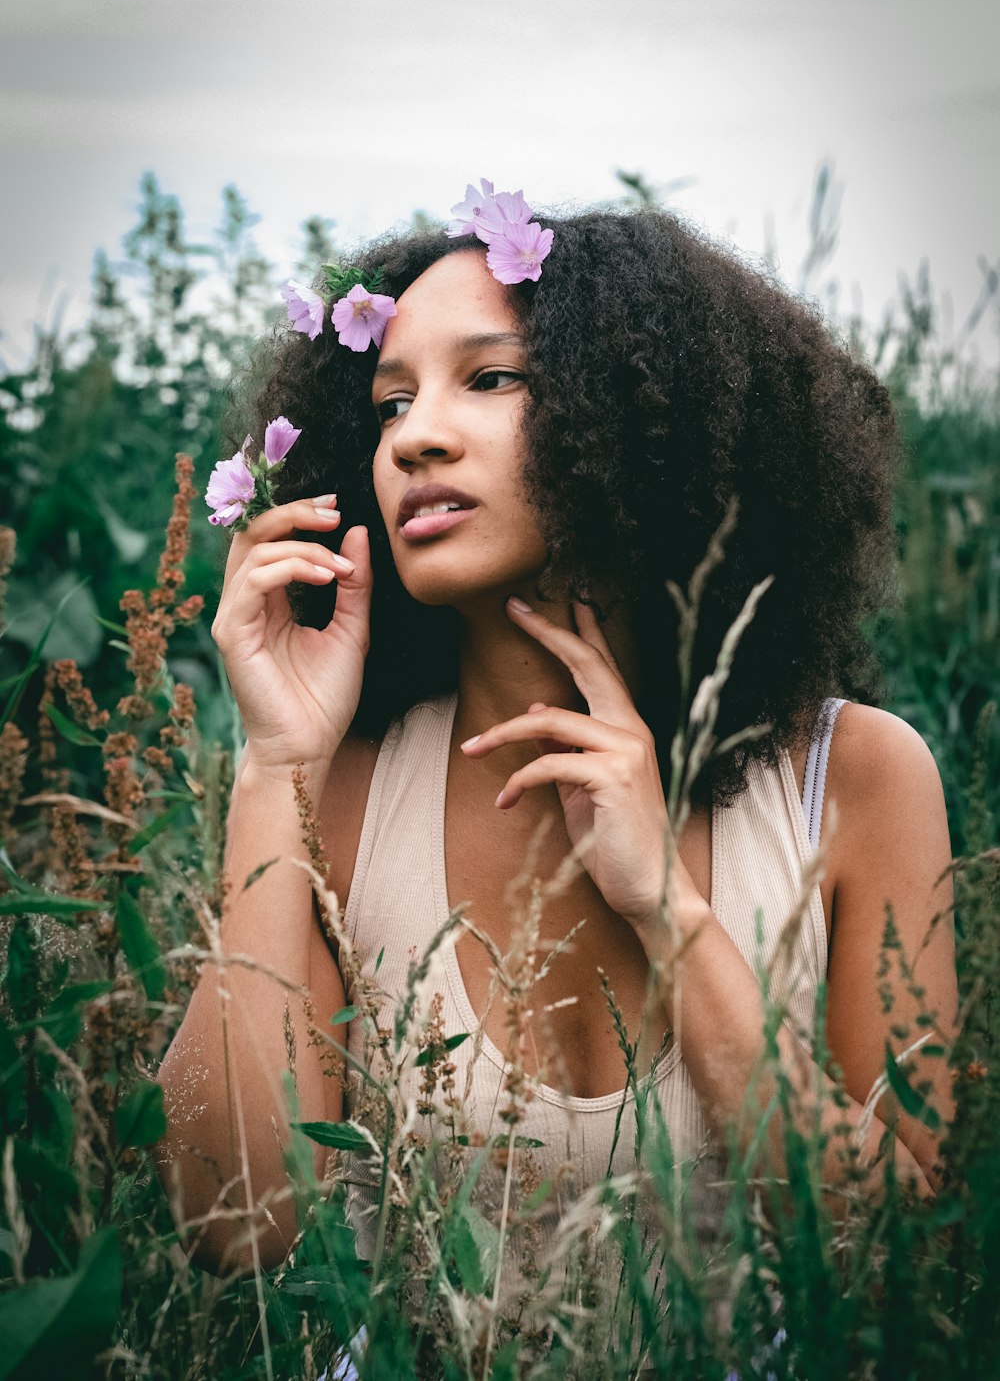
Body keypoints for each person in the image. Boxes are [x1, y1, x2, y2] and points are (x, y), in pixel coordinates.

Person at [157, 194, 957, 1311]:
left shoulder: (857, 777)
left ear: (641, 413)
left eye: (490, 378)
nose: (416, 435)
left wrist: (664, 912)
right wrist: (274, 762)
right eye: (389, 405)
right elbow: (230, 1220)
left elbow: (908, 1263)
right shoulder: (338, 786)